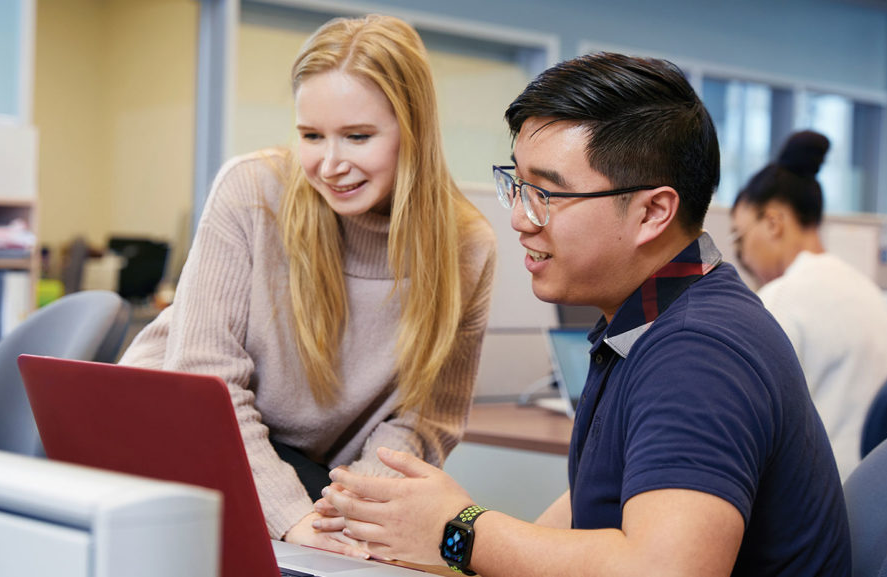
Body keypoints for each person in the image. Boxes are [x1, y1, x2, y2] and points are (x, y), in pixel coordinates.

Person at [319, 52, 850, 576]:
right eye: (518, 186)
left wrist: (458, 531)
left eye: (546, 193)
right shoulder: (647, 322)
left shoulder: (697, 352)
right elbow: (579, 518)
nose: (520, 219)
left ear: (653, 212)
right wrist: (438, 539)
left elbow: (665, 570)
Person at [119, 13, 496, 556]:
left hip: (307, 473)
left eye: (358, 136)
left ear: (413, 130)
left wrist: (350, 516)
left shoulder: (468, 247)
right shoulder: (252, 190)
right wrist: (292, 517)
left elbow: (420, 421)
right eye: (311, 136)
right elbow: (206, 382)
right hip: (168, 435)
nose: (331, 164)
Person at [730, 130, 887, 478]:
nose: (742, 256)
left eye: (740, 237)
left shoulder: (782, 298)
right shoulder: (866, 289)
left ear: (773, 223)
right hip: (879, 492)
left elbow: (747, 426)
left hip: (822, 501)